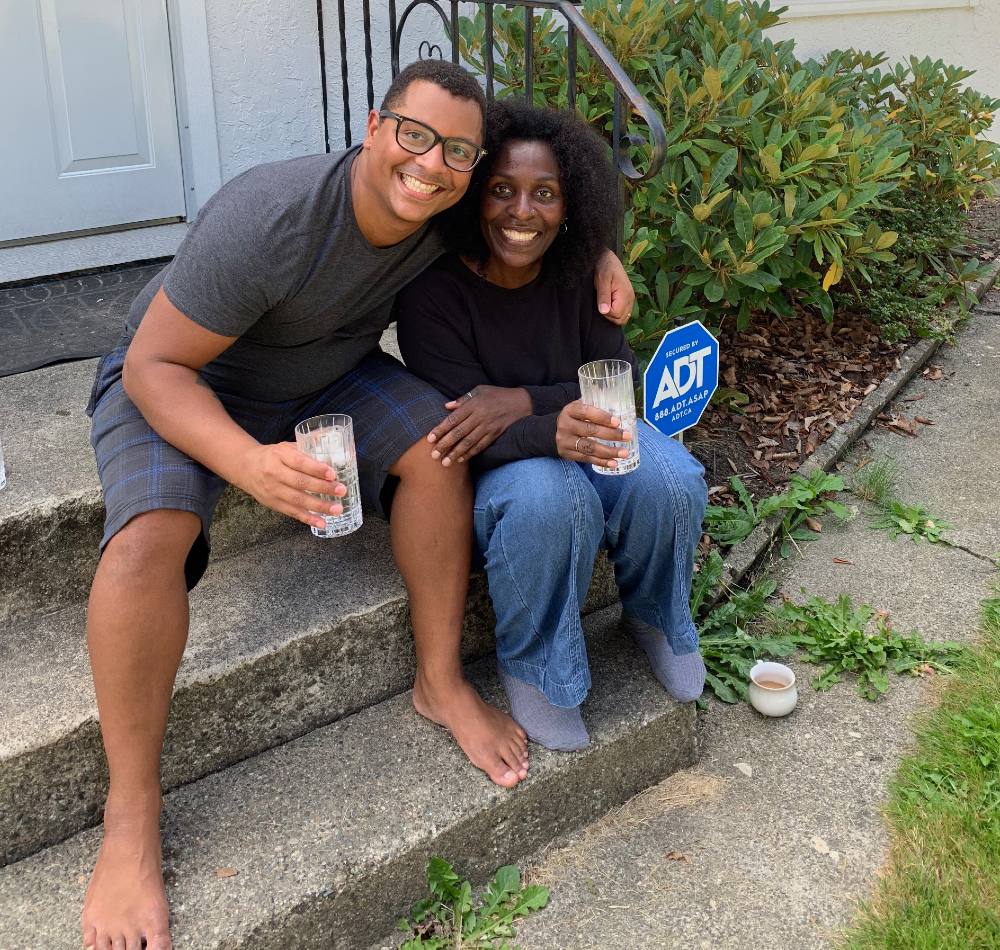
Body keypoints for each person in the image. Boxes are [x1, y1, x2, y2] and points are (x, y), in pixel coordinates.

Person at [81, 62, 635, 950]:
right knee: (148, 543)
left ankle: (440, 682)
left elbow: (534, 215)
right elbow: (154, 368)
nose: (432, 163)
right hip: (187, 377)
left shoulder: (446, 201)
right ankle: (130, 812)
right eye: (414, 135)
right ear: (374, 127)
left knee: (439, 448)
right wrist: (250, 465)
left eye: (458, 151)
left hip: (325, 373)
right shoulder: (272, 218)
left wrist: (600, 248)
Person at [396, 101, 708, 754]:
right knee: (552, 498)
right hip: (502, 465)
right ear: (475, 197)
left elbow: (615, 378)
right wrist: (542, 427)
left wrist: (518, 399)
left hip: (579, 427)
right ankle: (538, 667)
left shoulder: (581, 270)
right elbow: (462, 432)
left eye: (546, 194)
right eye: (502, 190)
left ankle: (655, 617)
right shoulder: (433, 299)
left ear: (571, 208)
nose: (522, 211)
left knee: (672, 479)